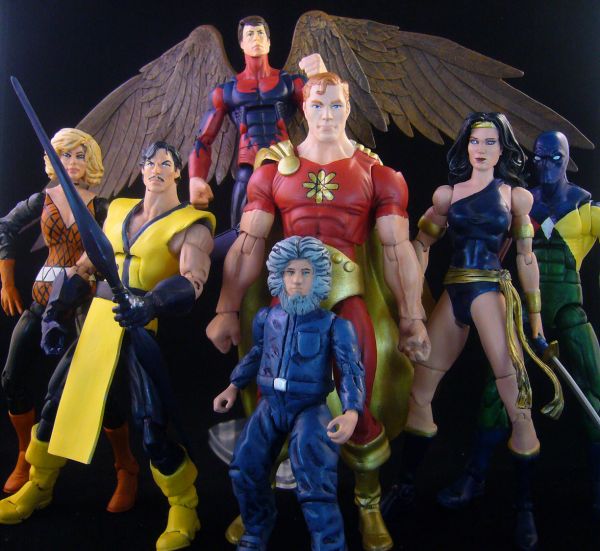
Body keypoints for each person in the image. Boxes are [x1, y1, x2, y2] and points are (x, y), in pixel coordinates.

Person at [207, 71, 430, 551]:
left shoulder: (377, 174)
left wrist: (411, 317)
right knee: (270, 402)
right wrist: (226, 308)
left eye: (335, 105)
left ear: (348, 108)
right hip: (288, 305)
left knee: (359, 400)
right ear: (302, 108)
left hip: (347, 301)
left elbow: (396, 252)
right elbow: (247, 245)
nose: (326, 114)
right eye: (317, 104)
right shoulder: (274, 170)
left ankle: (367, 503)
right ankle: (258, 503)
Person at [0, 141, 215, 551]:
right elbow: (84, 268)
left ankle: (183, 504)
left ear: (177, 172)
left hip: (139, 324)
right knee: (57, 405)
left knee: (151, 423)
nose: (156, 169)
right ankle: (39, 485)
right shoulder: (117, 210)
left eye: (165, 163)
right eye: (149, 162)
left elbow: (192, 281)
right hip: (97, 318)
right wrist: (55, 312)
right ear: (141, 168)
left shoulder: (191, 224)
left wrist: (151, 303)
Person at [381, 113, 563, 551]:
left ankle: (524, 505)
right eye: (475, 141)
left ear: (503, 149)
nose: (481, 149)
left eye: (490, 142)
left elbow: (526, 258)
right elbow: (420, 246)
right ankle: (405, 485)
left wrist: (536, 322)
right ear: (466, 146)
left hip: (488, 290)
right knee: (420, 391)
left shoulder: (515, 196)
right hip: (455, 290)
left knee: (515, 397)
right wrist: (412, 304)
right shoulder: (446, 195)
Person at [436, 131, 600, 516]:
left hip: (569, 308)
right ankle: (475, 475)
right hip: (522, 308)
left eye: (555, 157)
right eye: (540, 157)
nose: (547, 165)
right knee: (499, 387)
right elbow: (500, 250)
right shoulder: (519, 201)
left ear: (567, 158)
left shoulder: (586, 206)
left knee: (594, 384)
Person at [0, 127, 138, 511]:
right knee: (12, 377)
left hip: (81, 304)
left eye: (80, 155)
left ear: (90, 161)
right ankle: (25, 455)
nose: (72, 163)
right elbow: (6, 227)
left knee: (101, 389)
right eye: (65, 155)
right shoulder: (42, 200)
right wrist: (6, 282)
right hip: (41, 299)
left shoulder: (102, 207)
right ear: (54, 160)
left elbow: (121, 248)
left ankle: (125, 466)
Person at [214, 235, 365, 551]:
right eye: (290, 272)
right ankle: (256, 528)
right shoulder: (267, 318)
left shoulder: (334, 326)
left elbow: (351, 370)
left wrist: (351, 411)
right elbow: (257, 353)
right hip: (271, 405)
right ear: (279, 276)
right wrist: (234, 385)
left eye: (305, 272)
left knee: (315, 480)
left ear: (318, 277)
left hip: (309, 407)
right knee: (244, 466)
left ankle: (329, 544)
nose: (296, 280)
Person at [188, 14, 325, 223]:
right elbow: (204, 139)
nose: (256, 38)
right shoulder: (227, 91)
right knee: (239, 230)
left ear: (269, 42)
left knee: (302, 227)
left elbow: (326, 115)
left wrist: (322, 77)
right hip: (248, 170)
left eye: (261, 33)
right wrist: (196, 178)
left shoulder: (290, 83)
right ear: (241, 44)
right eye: (250, 34)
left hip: (287, 166)